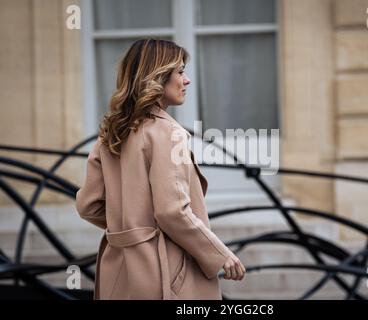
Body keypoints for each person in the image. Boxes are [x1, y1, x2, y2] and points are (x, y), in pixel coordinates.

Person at [76, 39, 245, 300]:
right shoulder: (168, 132)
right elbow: (172, 211)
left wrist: (131, 227)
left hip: (119, 271)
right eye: (179, 71)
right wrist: (220, 254)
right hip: (165, 273)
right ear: (157, 77)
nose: (186, 80)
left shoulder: (110, 134)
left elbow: (88, 206)